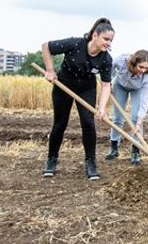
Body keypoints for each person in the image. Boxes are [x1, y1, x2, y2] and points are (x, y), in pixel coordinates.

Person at [41, 17, 115, 181]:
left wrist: (102, 108)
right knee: (60, 123)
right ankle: (51, 160)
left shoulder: (106, 59)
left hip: (86, 88)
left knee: (88, 123)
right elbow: (46, 47)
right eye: (106, 39)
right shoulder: (75, 44)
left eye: (111, 40)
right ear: (95, 35)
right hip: (64, 85)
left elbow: (105, 85)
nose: (108, 43)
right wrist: (50, 70)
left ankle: (91, 162)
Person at [105, 50, 148, 165]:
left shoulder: (146, 76)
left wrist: (139, 122)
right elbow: (109, 69)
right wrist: (108, 83)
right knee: (117, 117)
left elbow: (144, 101)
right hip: (120, 86)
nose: (143, 70)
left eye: (146, 68)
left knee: (136, 118)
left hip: (138, 89)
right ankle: (114, 147)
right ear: (134, 63)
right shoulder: (122, 60)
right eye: (140, 67)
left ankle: (135, 151)